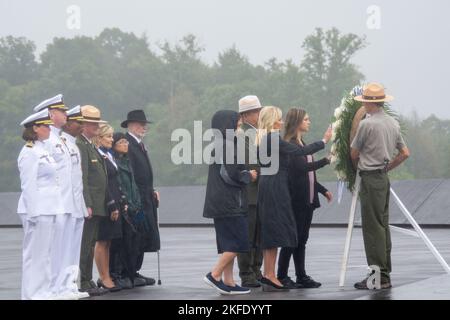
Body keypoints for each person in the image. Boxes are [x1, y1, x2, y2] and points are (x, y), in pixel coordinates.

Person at [255, 106, 332, 291]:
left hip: (268, 185)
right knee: (279, 233)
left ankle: (270, 274)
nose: (282, 122)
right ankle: (272, 274)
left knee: (271, 232)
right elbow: (299, 154)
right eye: (279, 119)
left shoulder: (264, 139)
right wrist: (324, 141)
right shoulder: (273, 139)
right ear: (273, 121)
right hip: (275, 186)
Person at [350, 83, 410, 289]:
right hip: (383, 178)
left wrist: (358, 165)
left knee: (372, 229)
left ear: (369, 102)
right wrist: (387, 167)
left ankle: (378, 277)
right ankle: (384, 273)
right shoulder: (393, 123)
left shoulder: (367, 124)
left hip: (370, 178)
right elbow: (404, 153)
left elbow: (354, 152)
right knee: (383, 227)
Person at [203, 110, 258, 295]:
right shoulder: (225, 145)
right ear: (227, 124)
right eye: (236, 121)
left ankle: (229, 282)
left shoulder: (222, 144)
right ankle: (214, 274)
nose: (239, 124)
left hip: (221, 203)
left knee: (228, 244)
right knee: (239, 243)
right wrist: (248, 175)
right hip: (230, 203)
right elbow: (228, 174)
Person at [277, 108, 333, 289]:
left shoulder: (302, 143)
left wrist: (322, 190)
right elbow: (302, 169)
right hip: (296, 201)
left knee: (302, 240)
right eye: (306, 119)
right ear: (298, 122)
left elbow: (310, 177)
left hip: (307, 201)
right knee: (291, 240)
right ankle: (282, 275)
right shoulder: (291, 144)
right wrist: (326, 160)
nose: (309, 122)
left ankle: (301, 276)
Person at [32, 94, 79, 299]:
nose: (66, 114)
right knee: (52, 250)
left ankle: (65, 286)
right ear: (51, 114)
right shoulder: (48, 140)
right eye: (62, 111)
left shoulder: (61, 138)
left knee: (65, 248)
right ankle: (52, 288)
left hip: (68, 202)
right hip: (53, 203)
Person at [17, 109, 64, 300]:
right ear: (35, 128)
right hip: (37, 209)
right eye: (45, 126)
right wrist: (33, 213)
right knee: (35, 255)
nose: (49, 129)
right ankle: (32, 294)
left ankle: (44, 291)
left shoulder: (41, 150)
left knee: (45, 254)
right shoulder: (29, 152)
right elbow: (28, 185)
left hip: (49, 207)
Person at [121, 110, 159, 286]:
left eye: (144, 124)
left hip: (145, 196)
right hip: (136, 199)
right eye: (139, 123)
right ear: (130, 125)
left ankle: (135, 270)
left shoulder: (140, 145)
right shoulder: (127, 144)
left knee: (142, 234)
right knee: (134, 234)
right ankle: (128, 271)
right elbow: (131, 173)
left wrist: (152, 190)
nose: (143, 127)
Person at [76, 105, 109, 296]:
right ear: (84, 125)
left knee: (90, 243)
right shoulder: (81, 145)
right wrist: (87, 203)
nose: (96, 127)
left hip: (97, 203)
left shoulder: (88, 144)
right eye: (92, 123)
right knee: (85, 243)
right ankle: (83, 279)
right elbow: (84, 178)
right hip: (91, 204)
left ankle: (87, 279)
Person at [59, 106, 90, 299]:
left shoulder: (72, 145)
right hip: (63, 204)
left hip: (75, 204)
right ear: (68, 124)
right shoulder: (61, 143)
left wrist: (81, 205)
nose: (81, 126)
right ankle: (60, 287)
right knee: (62, 249)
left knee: (72, 249)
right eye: (78, 123)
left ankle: (69, 285)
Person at [110, 132, 146, 288]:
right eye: (122, 142)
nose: (126, 144)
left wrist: (137, 202)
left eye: (126, 142)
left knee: (138, 238)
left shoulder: (127, 161)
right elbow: (121, 186)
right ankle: (119, 273)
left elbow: (133, 184)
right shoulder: (115, 162)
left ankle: (133, 271)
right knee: (123, 241)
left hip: (136, 207)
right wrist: (129, 203)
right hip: (125, 207)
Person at [236, 95, 263, 288]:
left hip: (259, 192)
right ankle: (247, 272)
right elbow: (250, 163)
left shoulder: (256, 133)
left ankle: (256, 268)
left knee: (259, 235)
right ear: (246, 115)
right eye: (256, 111)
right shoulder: (243, 135)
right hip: (250, 192)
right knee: (248, 235)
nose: (259, 114)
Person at [93, 124, 123, 292]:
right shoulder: (98, 155)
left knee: (108, 241)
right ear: (99, 138)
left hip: (114, 201)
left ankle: (106, 275)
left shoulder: (107, 155)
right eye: (108, 136)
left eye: (112, 136)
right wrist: (111, 203)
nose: (112, 139)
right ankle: (103, 276)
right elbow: (102, 183)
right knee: (102, 240)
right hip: (105, 203)